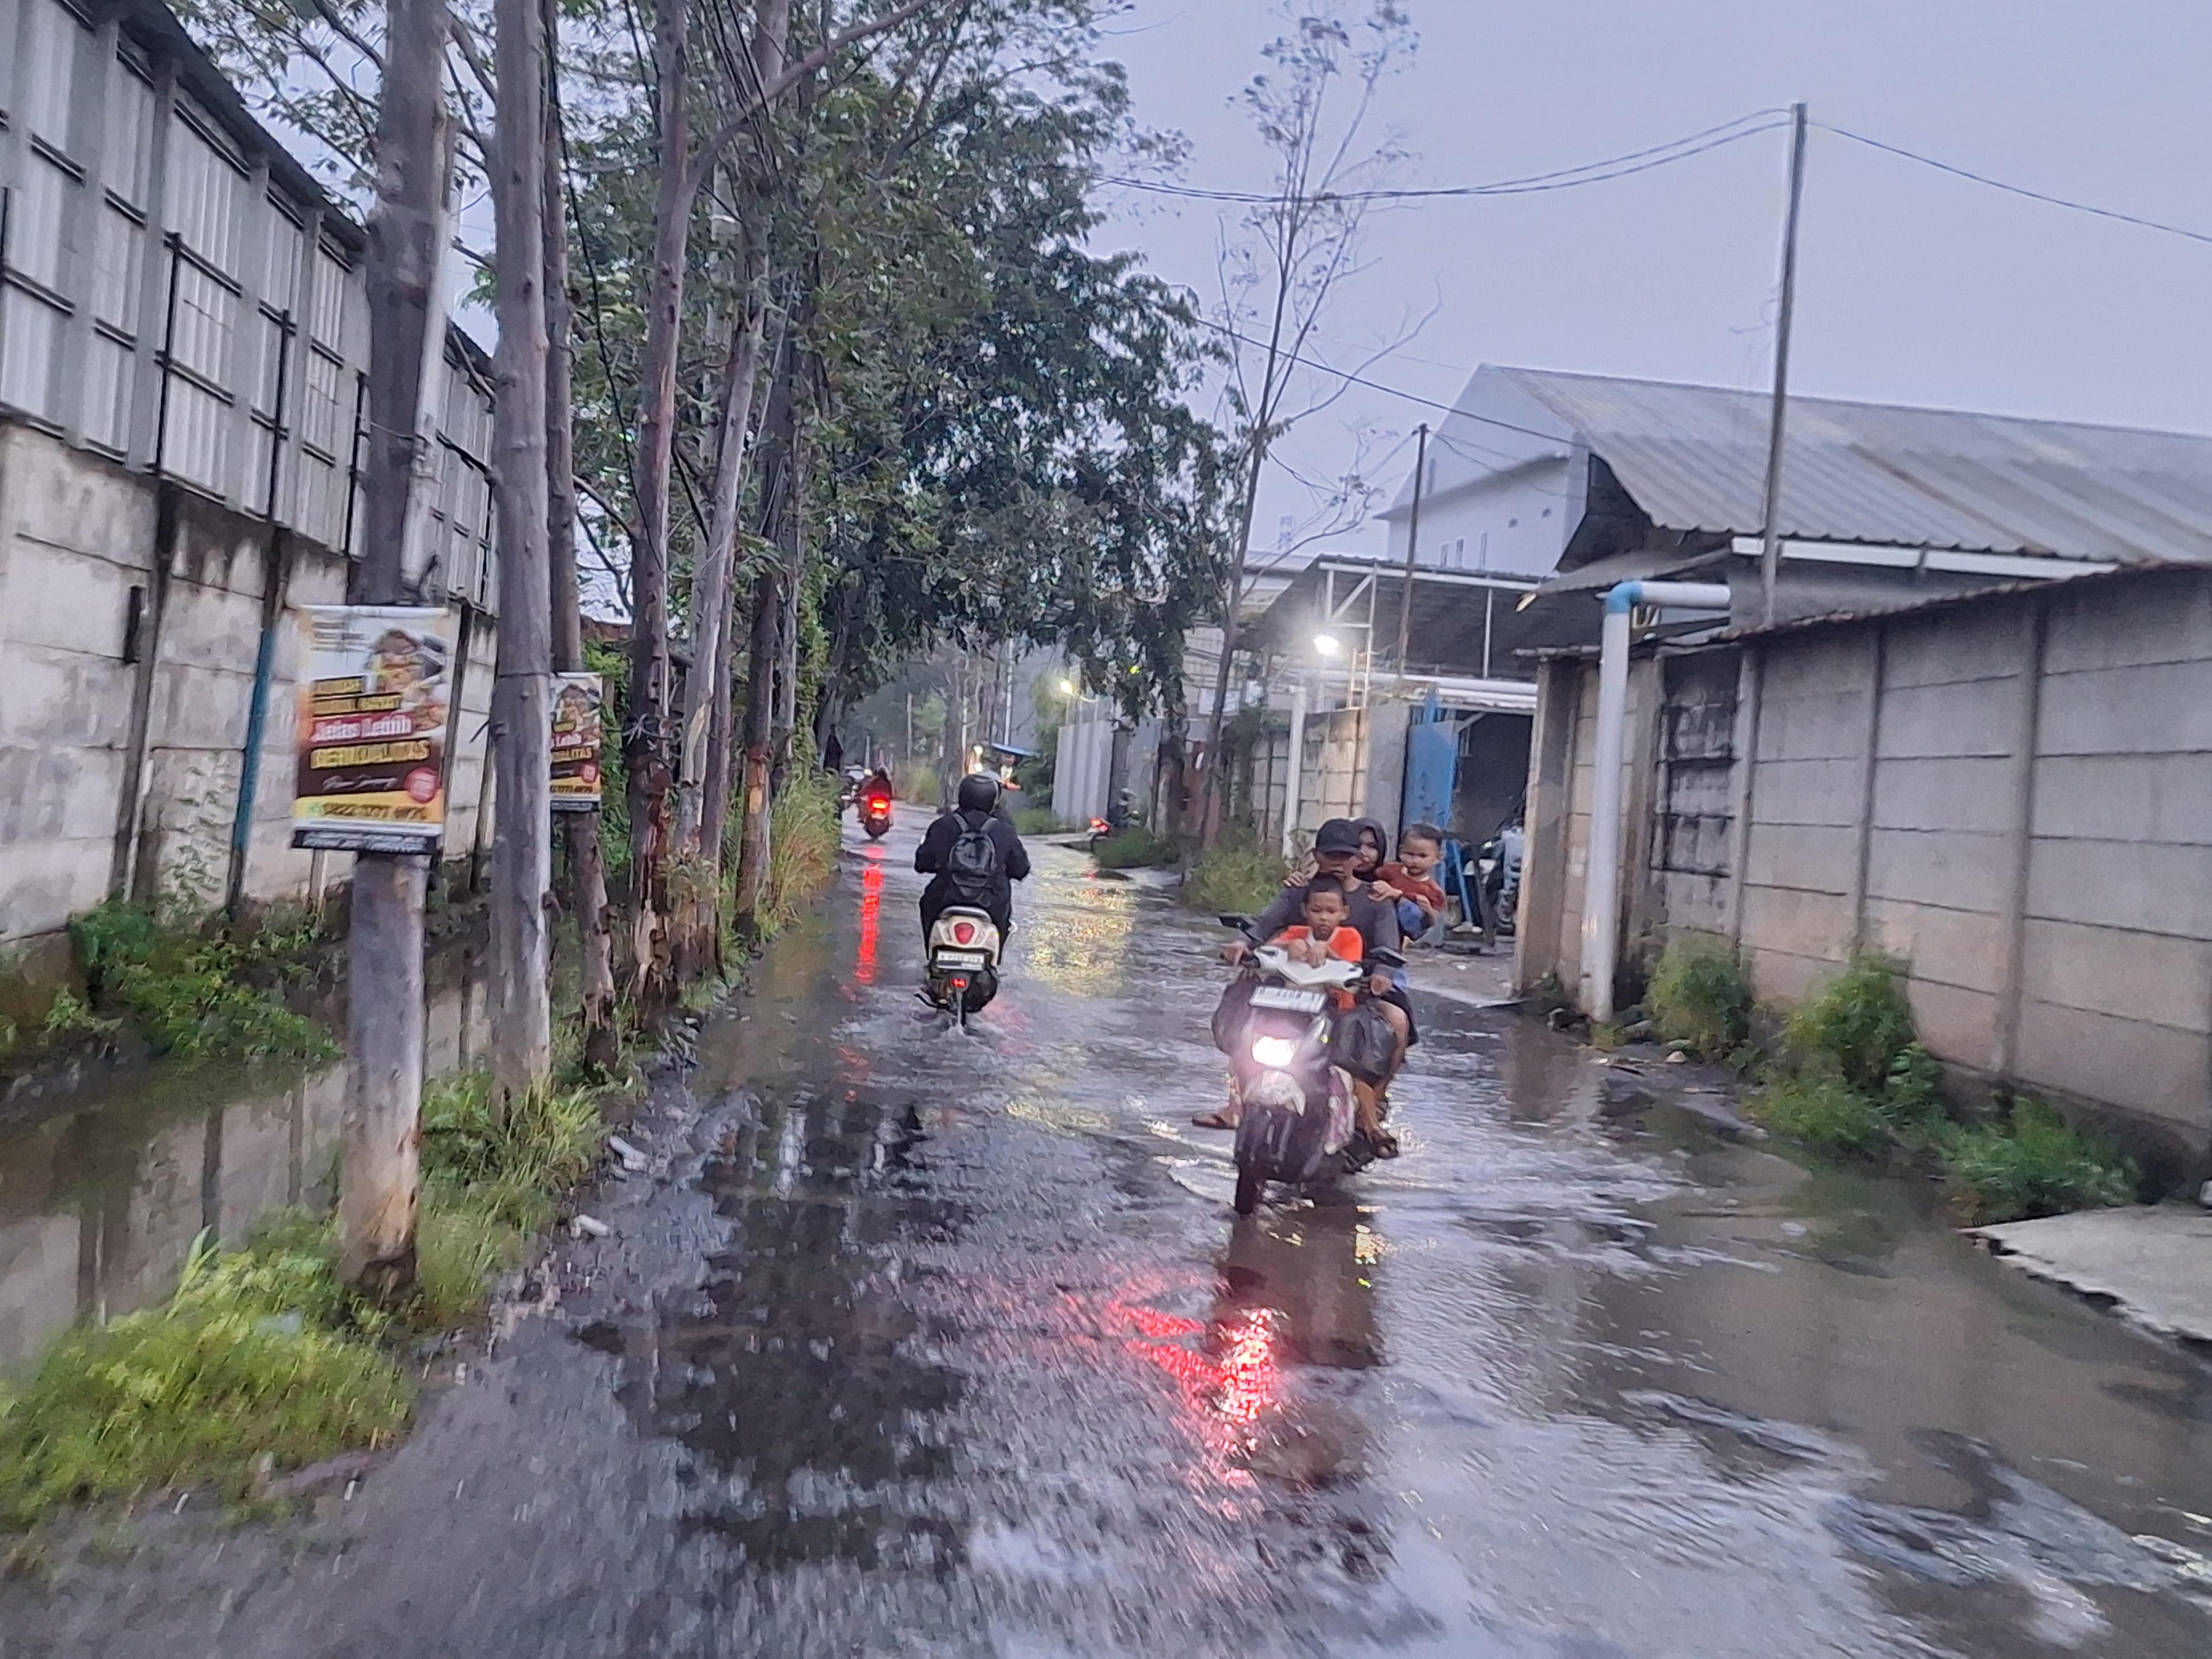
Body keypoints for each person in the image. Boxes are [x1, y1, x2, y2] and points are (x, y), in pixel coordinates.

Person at [1206, 819, 1409, 1153]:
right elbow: (1265, 924)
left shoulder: (1376, 899)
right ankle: (1236, 1104)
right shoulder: (1298, 890)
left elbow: (1388, 948)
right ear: (1317, 856)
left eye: (1346, 855)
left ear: (1358, 858)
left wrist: (1381, 974)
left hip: (1354, 991)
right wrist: (1243, 945)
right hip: (1291, 991)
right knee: (1246, 1018)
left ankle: (1375, 1101)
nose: (1338, 862)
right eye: (1331, 855)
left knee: (1396, 1023)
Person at [915, 771, 1031, 942]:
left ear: (962, 796)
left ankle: (933, 954)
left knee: (927, 906)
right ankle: (994, 960)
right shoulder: (1004, 831)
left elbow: (922, 863)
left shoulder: (943, 826)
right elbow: (1021, 869)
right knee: (1003, 920)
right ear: (993, 801)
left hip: (945, 898)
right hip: (992, 903)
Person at [1270, 874, 1365, 976]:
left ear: (1344, 913)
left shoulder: (1350, 936)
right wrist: (1291, 945)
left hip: (1333, 989)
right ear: (1305, 910)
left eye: (1331, 911)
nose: (1324, 917)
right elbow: (1267, 949)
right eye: (1316, 911)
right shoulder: (1296, 931)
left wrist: (1327, 951)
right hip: (1295, 987)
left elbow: (1352, 969)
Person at [1374, 821, 1448, 941]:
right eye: (1410, 854)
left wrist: (1428, 910)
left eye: (1423, 856)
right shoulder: (1389, 871)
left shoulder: (1434, 891)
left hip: (1405, 933)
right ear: (1400, 852)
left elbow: (1434, 922)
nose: (1415, 861)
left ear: (1437, 857)